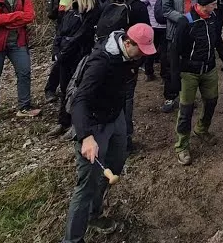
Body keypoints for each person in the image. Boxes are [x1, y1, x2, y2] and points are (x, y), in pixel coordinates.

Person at [59, 23, 157, 242]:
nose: (142, 56)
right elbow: (79, 101)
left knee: (115, 164)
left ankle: (95, 213)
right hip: (93, 124)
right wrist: (86, 137)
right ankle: (72, 239)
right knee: (87, 184)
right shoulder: (101, 63)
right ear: (128, 43)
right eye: (140, 50)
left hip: (115, 117)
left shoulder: (130, 56)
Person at [170, 0, 223, 165]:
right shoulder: (185, 22)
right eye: (213, 4)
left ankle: (202, 129)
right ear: (203, 5)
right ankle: (182, 145)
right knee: (186, 110)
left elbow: (218, 40)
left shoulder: (213, 19)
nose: (216, 6)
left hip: (209, 69)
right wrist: (174, 77)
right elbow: (173, 50)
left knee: (212, 101)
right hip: (189, 72)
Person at [51, 0, 104, 136]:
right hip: (65, 54)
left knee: (78, 88)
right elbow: (60, 31)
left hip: (80, 54)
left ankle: (77, 123)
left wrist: (63, 52)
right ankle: (63, 121)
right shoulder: (71, 9)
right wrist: (56, 50)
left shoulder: (92, 11)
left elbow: (81, 36)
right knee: (64, 86)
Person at [46, 0, 92, 105]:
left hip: (75, 33)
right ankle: (51, 89)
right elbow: (62, 11)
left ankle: (66, 90)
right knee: (62, 61)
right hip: (67, 31)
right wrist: (68, 27)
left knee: (67, 61)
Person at [157, 0, 202, 112]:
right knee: (172, 66)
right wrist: (181, 19)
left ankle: (187, 96)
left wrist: (195, 18)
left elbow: (202, 6)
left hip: (193, 31)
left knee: (189, 66)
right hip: (174, 32)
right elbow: (166, 9)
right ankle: (170, 96)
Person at [138, 0, 168, 82]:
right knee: (165, 51)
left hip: (153, 25)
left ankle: (149, 73)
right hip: (167, 25)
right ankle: (164, 75)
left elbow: (140, 3)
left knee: (151, 49)